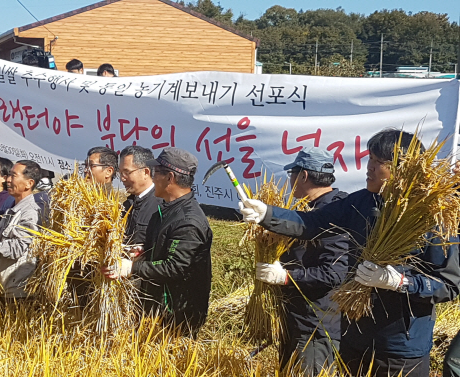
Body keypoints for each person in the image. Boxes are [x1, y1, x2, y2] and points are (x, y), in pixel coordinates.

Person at [239, 129, 460, 377]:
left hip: (399, 346)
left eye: (379, 162)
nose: (370, 168)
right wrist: (268, 215)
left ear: (403, 169)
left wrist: (399, 282)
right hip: (354, 336)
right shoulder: (361, 203)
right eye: (370, 159)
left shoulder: (429, 217)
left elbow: (448, 285)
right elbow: (312, 223)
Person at [103, 147, 213, 337]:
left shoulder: (188, 221)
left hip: (176, 315)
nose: (152, 178)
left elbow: (176, 267)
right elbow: (163, 250)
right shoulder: (167, 209)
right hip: (157, 308)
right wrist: (142, 252)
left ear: (170, 178)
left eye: (157, 173)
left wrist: (131, 268)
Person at [260, 148, 349, 376]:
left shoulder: (335, 213)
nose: (290, 181)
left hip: (316, 326)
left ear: (303, 176)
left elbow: (335, 272)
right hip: (296, 319)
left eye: (292, 174)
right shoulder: (308, 210)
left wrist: (286, 277)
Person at [0, 160, 42, 300]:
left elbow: (17, 248)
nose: (8, 180)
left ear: (29, 183)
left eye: (13, 176)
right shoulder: (11, 210)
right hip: (4, 288)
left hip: (18, 292)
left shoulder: (30, 213)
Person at [119, 145, 162, 246]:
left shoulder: (161, 206)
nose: (122, 178)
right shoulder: (126, 205)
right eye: (120, 173)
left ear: (145, 172)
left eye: (126, 172)